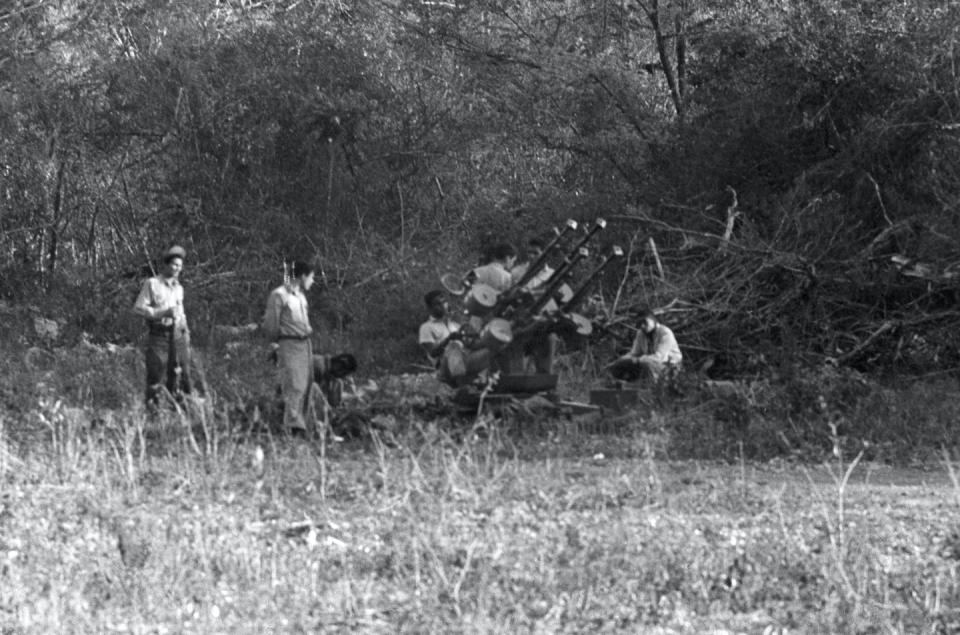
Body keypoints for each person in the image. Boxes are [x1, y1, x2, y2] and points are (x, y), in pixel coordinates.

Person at [133, 245, 202, 408]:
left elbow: (180, 311)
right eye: (174, 265)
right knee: (156, 373)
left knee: (183, 372)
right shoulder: (152, 283)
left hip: (179, 334)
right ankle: (153, 411)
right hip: (159, 335)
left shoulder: (179, 288)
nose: (177, 268)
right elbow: (138, 308)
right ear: (166, 265)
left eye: (180, 265)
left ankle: (180, 409)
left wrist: (185, 330)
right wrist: (162, 313)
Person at [262, 261, 317, 438]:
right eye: (311, 277)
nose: (312, 281)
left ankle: (302, 425)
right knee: (294, 385)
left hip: (304, 344)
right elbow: (271, 325)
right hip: (289, 344)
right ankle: (292, 428)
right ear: (302, 276)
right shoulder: (279, 295)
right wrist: (274, 345)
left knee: (306, 384)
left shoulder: (301, 297)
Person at [606, 308, 682, 383]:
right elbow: (634, 353)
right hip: (647, 363)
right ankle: (624, 388)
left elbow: (659, 358)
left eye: (644, 322)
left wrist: (637, 360)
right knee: (618, 365)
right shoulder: (640, 334)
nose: (642, 326)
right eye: (639, 323)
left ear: (654, 320)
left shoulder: (665, 333)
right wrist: (619, 361)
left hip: (670, 366)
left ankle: (652, 388)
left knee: (646, 364)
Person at [418, 290, 461, 365]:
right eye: (438, 304)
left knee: (487, 344)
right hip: (445, 365)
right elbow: (432, 353)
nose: (443, 306)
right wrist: (448, 339)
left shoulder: (453, 322)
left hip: (463, 358)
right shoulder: (426, 327)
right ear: (429, 308)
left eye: (444, 302)